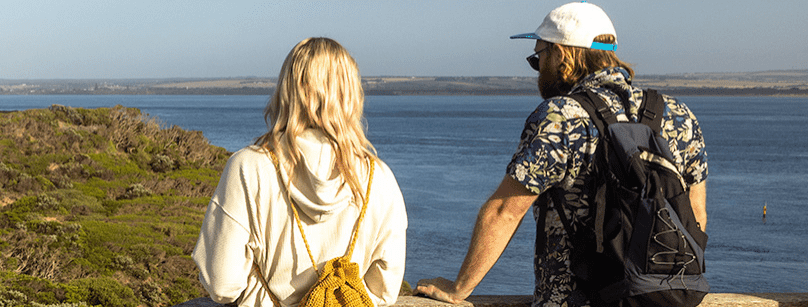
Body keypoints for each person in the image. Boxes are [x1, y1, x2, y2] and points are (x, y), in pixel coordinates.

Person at [416, 3, 710, 307]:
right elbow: (695, 215)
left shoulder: (561, 117)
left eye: (538, 57)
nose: (538, 68)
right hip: (663, 298)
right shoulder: (678, 115)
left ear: (563, 56)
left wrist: (458, 289)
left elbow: (504, 211)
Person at [194, 37, 408, 307]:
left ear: (288, 90)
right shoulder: (379, 178)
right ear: (351, 94)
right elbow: (385, 290)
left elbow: (222, 284)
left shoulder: (249, 168)